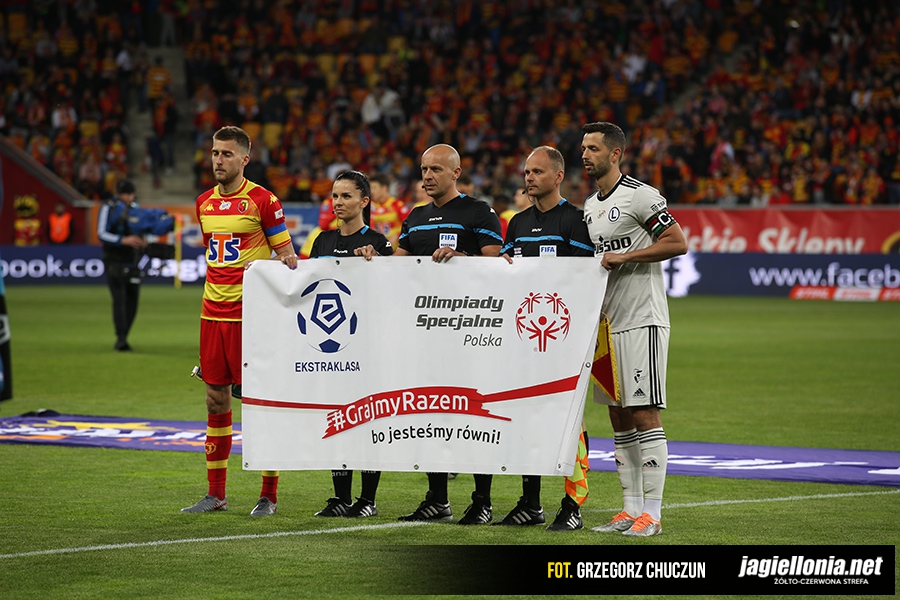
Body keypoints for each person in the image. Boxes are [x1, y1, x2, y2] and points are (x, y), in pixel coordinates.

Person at [181, 126, 298, 517]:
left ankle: (269, 495)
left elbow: (287, 258)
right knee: (215, 400)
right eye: (215, 152)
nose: (218, 160)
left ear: (244, 159)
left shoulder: (263, 201)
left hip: (251, 318)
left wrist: (271, 262)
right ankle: (216, 494)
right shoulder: (203, 203)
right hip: (211, 315)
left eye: (227, 154)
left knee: (260, 403)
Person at [580, 122, 687, 537]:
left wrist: (625, 257)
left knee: (643, 411)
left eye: (593, 148)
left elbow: (677, 242)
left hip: (642, 319)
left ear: (615, 154)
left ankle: (653, 515)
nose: (585, 155)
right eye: (583, 148)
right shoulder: (590, 205)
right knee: (618, 415)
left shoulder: (641, 196)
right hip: (607, 325)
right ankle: (630, 509)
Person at [393, 144, 503, 523]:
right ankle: (437, 499)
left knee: (476, 418)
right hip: (426, 335)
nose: (427, 176)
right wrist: (370, 258)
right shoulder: (415, 217)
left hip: (471, 333)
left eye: (436, 169)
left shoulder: (479, 212)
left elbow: (498, 265)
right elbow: (396, 269)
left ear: (456, 173)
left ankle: (482, 502)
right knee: (430, 414)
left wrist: (464, 260)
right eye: (424, 169)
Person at [494, 146, 595, 531]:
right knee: (526, 415)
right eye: (526, 172)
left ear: (558, 176)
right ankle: (531, 503)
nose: (529, 177)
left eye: (537, 171)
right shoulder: (518, 222)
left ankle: (573, 504)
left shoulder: (575, 220)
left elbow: (586, 279)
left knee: (570, 420)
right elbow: (507, 273)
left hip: (565, 338)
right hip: (525, 339)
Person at [310, 170, 393, 519]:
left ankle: (367, 499)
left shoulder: (379, 243)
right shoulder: (321, 241)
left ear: (364, 201)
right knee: (336, 417)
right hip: (332, 345)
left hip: (369, 346)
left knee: (369, 420)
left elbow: (392, 292)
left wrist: (377, 263)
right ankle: (341, 497)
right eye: (335, 196)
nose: (338, 202)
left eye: (346, 196)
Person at [97, 180, 147, 351]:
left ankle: (124, 335)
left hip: (132, 260)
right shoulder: (108, 208)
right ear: (119, 194)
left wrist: (143, 240)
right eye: (126, 194)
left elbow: (142, 228)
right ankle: (121, 338)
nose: (129, 198)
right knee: (119, 299)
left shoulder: (135, 208)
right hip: (114, 259)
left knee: (133, 300)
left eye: (131, 194)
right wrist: (122, 240)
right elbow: (101, 233)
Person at [367, 172, 408, 247]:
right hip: (378, 247)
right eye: (370, 188)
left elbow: (408, 226)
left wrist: (397, 235)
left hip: (397, 249)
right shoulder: (370, 206)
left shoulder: (397, 205)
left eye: (374, 187)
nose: (371, 191)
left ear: (384, 188)